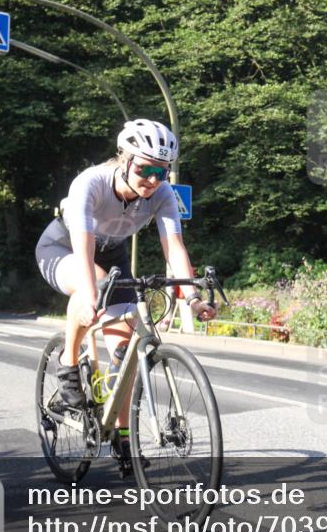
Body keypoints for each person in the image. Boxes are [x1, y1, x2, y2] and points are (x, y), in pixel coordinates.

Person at [35, 119, 215, 470]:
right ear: (125, 159)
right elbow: (84, 251)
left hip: (112, 255)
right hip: (62, 247)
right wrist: (89, 296)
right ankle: (69, 365)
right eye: (145, 168)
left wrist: (191, 297)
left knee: (128, 347)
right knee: (95, 286)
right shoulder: (91, 183)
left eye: (161, 173)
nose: (152, 179)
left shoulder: (161, 195)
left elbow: (174, 248)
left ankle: (122, 436)